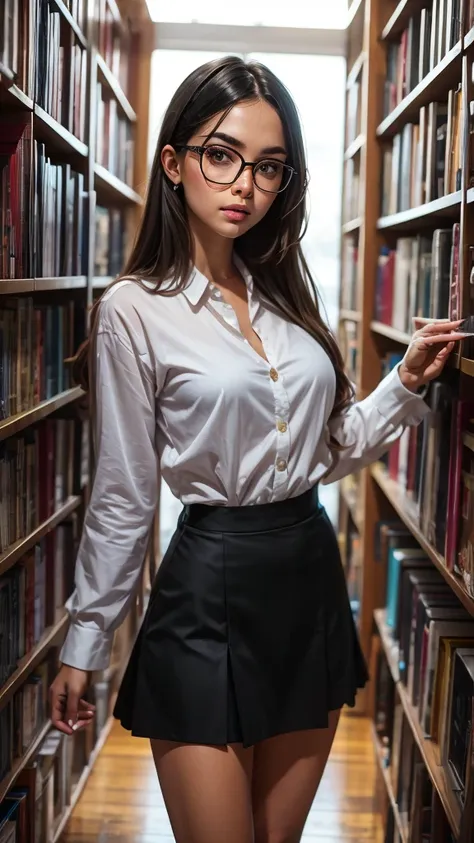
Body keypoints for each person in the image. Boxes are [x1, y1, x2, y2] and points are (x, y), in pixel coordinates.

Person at [50, 56, 466, 843]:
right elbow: (124, 495)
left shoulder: (281, 292)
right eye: (222, 154)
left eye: (269, 166)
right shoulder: (133, 312)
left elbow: (327, 450)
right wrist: (85, 638)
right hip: (205, 591)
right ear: (173, 163)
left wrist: (402, 384)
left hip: (307, 578)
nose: (244, 183)